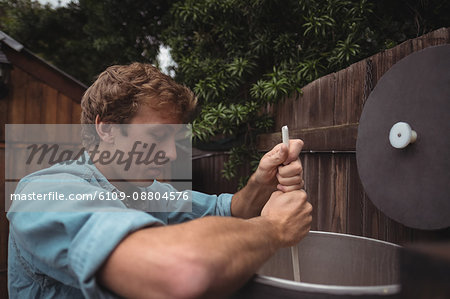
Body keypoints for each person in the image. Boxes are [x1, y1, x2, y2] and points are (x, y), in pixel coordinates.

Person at [7, 63, 312, 298]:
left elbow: (231, 210)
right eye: (158, 136)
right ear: (107, 129)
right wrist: (273, 228)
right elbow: (178, 271)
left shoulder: (150, 192)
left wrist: (262, 179)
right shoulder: (45, 194)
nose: (169, 153)